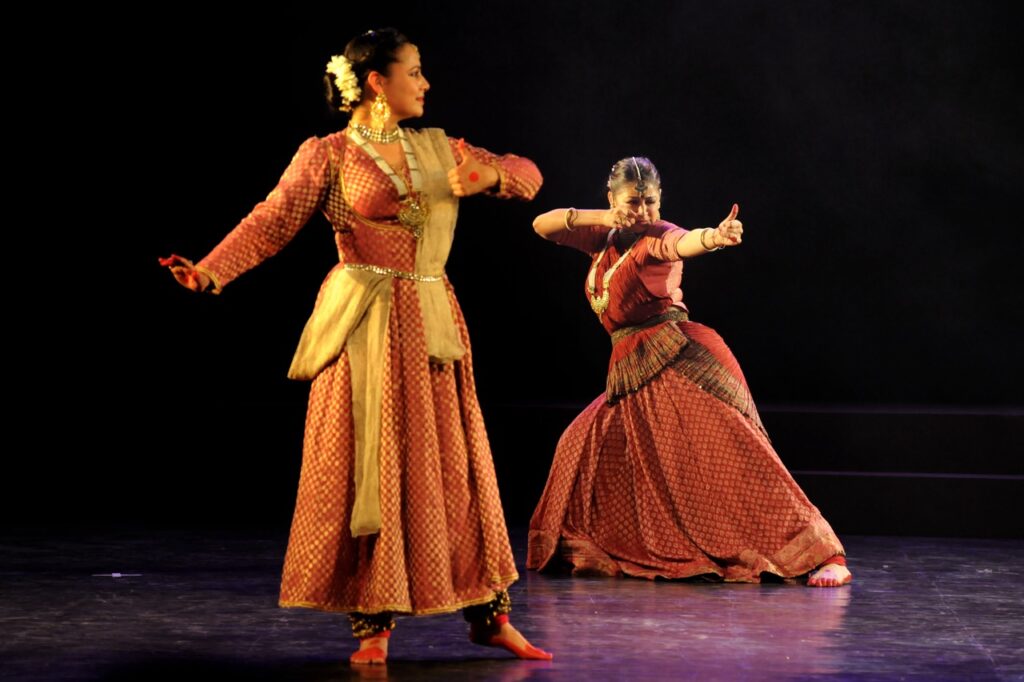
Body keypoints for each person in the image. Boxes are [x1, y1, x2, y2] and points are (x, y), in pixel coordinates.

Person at [161, 28, 552, 664]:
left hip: (430, 322)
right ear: (376, 81)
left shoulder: (438, 147)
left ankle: (489, 616)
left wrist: (491, 175)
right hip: (364, 325)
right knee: (367, 464)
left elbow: (529, 174)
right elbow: (271, 221)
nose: (425, 83)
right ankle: (373, 626)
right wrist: (210, 270)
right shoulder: (330, 155)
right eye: (414, 71)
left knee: (452, 465)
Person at [526, 156, 851, 588]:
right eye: (633, 202)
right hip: (632, 370)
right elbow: (543, 225)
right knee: (581, 445)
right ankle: (598, 547)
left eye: (650, 201)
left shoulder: (657, 236)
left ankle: (825, 555)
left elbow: (683, 242)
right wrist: (604, 218)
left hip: (678, 359)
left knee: (734, 457)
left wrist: (714, 237)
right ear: (612, 200)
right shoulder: (603, 238)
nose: (643, 211)